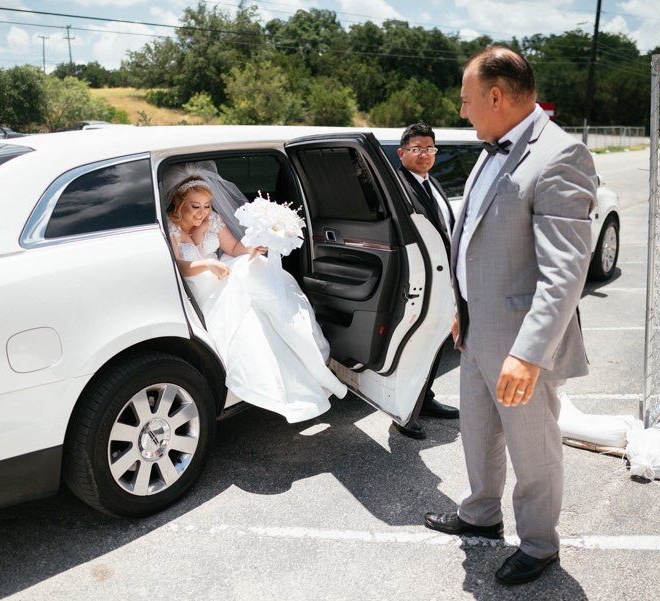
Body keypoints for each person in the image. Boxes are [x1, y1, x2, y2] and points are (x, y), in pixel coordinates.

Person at [423, 47, 596, 585]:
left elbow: (564, 273)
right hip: (475, 329)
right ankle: (480, 513)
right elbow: (475, 235)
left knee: (532, 447)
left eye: (467, 100)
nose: (462, 111)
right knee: (478, 433)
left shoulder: (561, 156)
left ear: (496, 96)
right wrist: (461, 307)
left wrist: (528, 353)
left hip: (522, 342)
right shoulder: (490, 148)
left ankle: (540, 544)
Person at [164, 162, 348, 423]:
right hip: (197, 283)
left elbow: (235, 247)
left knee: (259, 275)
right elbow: (178, 266)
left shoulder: (213, 220)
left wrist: (253, 248)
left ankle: (302, 350)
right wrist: (207, 263)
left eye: (207, 206)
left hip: (220, 270)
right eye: (196, 206)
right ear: (179, 203)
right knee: (237, 298)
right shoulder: (170, 227)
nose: (203, 213)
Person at [390, 123, 460, 440]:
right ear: (401, 152)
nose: (424, 154)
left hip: (443, 279)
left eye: (430, 148)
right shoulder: (396, 186)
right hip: (417, 281)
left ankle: (425, 399)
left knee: (436, 343)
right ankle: (404, 412)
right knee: (414, 346)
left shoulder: (432, 183)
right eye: (417, 148)